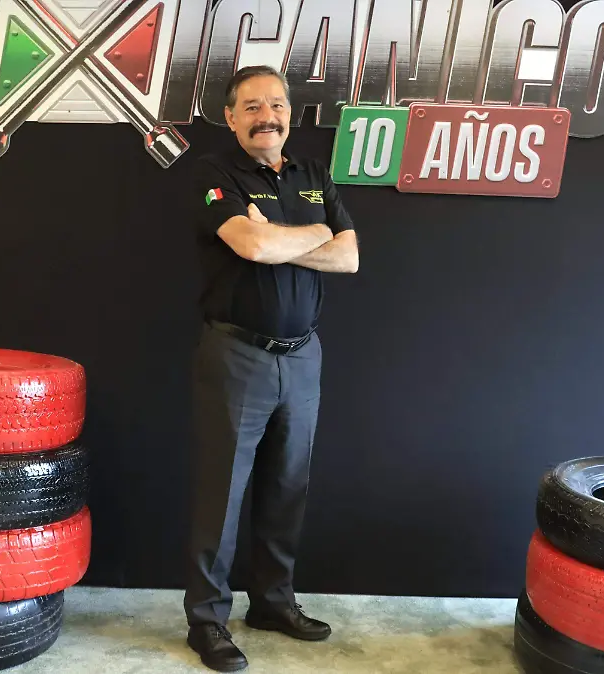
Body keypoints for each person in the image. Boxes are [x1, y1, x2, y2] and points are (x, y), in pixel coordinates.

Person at [183, 64, 359, 672]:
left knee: (288, 487)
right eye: (253, 106)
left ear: (289, 114)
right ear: (231, 117)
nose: (268, 117)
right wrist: (315, 235)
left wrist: (294, 235)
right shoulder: (214, 174)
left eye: (277, 105)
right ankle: (207, 620)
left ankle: (273, 603)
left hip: (303, 356)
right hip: (237, 354)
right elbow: (251, 245)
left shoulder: (313, 174)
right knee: (222, 493)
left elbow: (349, 255)